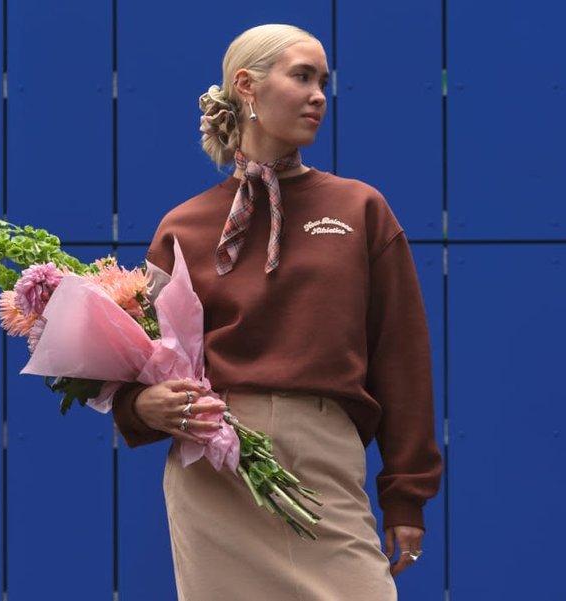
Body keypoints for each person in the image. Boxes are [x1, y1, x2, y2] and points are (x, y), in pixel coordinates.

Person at [111, 23, 443, 600]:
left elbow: (402, 356)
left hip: (325, 458)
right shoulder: (182, 227)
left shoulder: (361, 209)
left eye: (324, 81)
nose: (319, 95)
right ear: (247, 86)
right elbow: (140, 360)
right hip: (212, 468)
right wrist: (140, 407)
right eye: (302, 76)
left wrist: (405, 493)